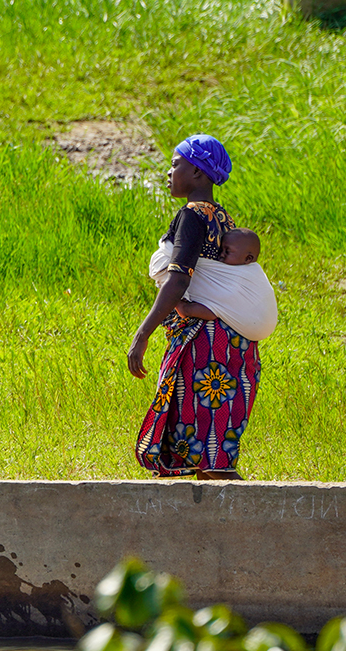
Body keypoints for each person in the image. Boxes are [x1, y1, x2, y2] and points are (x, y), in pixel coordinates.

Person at [128, 134, 261, 480]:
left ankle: (247, 525)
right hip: (227, 339)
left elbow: (179, 279)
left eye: (176, 164)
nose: (169, 172)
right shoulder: (224, 220)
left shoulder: (192, 215)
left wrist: (143, 334)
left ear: (198, 173)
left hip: (202, 345)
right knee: (209, 451)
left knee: (206, 456)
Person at [175, 228, 261, 321]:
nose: (221, 255)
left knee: (213, 309)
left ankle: (185, 310)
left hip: (241, 318)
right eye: (221, 250)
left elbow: (219, 305)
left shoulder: (242, 276)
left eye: (227, 252)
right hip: (249, 323)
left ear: (248, 259)